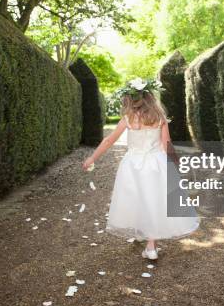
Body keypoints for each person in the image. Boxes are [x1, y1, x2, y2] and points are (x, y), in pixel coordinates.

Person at [82, 78, 200, 260]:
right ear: (150, 98)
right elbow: (166, 144)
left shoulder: (128, 119)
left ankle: (147, 239)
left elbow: (108, 141)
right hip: (156, 164)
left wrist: (92, 158)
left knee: (137, 198)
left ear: (130, 99)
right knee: (153, 200)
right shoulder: (159, 118)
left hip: (133, 165)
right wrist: (176, 165)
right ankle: (150, 245)